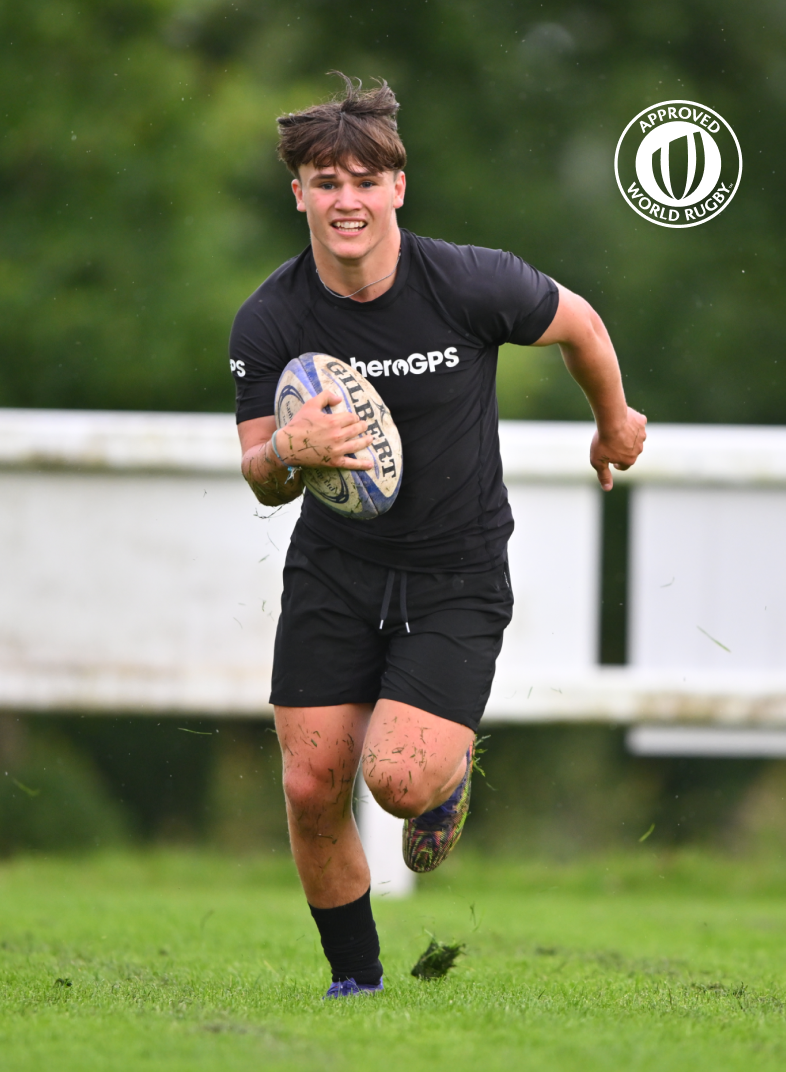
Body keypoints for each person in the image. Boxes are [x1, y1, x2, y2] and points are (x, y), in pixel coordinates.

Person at [229, 73, 646, 998]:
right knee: (309, 789)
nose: (347, 201)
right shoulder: (270, 319)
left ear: (397, 189)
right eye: (326, 181)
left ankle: (444, 773)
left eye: (365, 181)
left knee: (400, 782)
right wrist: (289, 452)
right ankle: (359, 985)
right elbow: (261, 476)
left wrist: (612, 420)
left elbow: (580, 323)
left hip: (455, 575)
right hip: (334, 572)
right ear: (297, 191)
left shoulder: (466, 281)